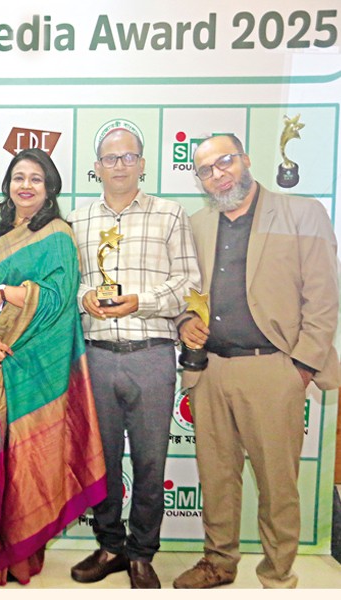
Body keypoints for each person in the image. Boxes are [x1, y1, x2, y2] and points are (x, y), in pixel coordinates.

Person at [173, 134, 339, 589]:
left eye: (224, 161)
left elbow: (323, 298)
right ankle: (218, 563)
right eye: (206, 169)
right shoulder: (196, 225)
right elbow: (186, 292)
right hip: (210, 370)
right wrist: (187, 321)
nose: (217, 173)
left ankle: (278, 574)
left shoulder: (302, 214)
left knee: (277, 484)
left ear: (245, 159)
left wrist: (301, 368)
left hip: (274, 369)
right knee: (217, 478)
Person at [66, 129, 201, 588]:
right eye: (110, 158)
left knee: (150, 463)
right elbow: (69, 282)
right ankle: (110, 546)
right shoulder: (77, 220)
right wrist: (86, 297)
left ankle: (142, 553)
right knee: (100, 461)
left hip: (151, 356)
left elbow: (189, 282)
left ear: (142, 163)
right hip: (97, 357)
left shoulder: (170, 214)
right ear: (97, 167)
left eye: (128, 157)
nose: (119, 165)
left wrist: (139, 300)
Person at [0, 147, 106, 586]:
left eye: (35, 179)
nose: (25, 185)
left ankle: (23, 554)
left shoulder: (59, 235)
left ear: (49, 189)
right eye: (17, 177)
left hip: (38, 364)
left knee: (31, 462)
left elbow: (60, 297)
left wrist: (11, 292)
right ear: (8, 185)